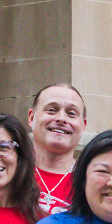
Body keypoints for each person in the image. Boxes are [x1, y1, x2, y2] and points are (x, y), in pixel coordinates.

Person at [26, 82, 85, 215]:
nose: (61, 119)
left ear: (83, 125)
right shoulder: (11, 172)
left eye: (71, 113)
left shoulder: (90, 180)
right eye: (51, 110)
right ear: (31, 118)